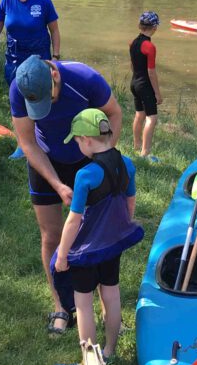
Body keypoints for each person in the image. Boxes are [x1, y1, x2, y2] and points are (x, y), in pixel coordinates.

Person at [10, 55, 123, 335]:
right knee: (52, 234)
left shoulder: (84, 79)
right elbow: (27, 142)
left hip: (87, 159)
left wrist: (104, 160)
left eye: (48, 99)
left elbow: (115, 113)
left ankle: (106, 306)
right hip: (46, 160)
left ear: (55, 76)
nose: (45, 110)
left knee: (93, 232)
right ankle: (62, 306)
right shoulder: (19, 88)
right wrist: (57, 184)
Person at [54, 109, 142, 362]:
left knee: (83, 303)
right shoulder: (127, 165)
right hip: (113, 245)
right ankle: (110, 351)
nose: (79, 145)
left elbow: (73, 220)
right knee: (111, 294)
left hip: (87, 250)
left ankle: (90, 362)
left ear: (88, 140)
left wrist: (62, 255)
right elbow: (130, 202)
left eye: (78, 141)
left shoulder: (85, 175)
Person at [129, 11, 163, 159]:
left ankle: (136, 145)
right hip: (144, 85)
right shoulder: (149, 46)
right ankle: (145, 152)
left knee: (139, 114)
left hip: (134, 82)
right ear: (154, 27)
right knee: (152, 118)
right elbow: (151, 72)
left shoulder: (133, 42)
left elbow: (132, 65)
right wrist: (157, 93)